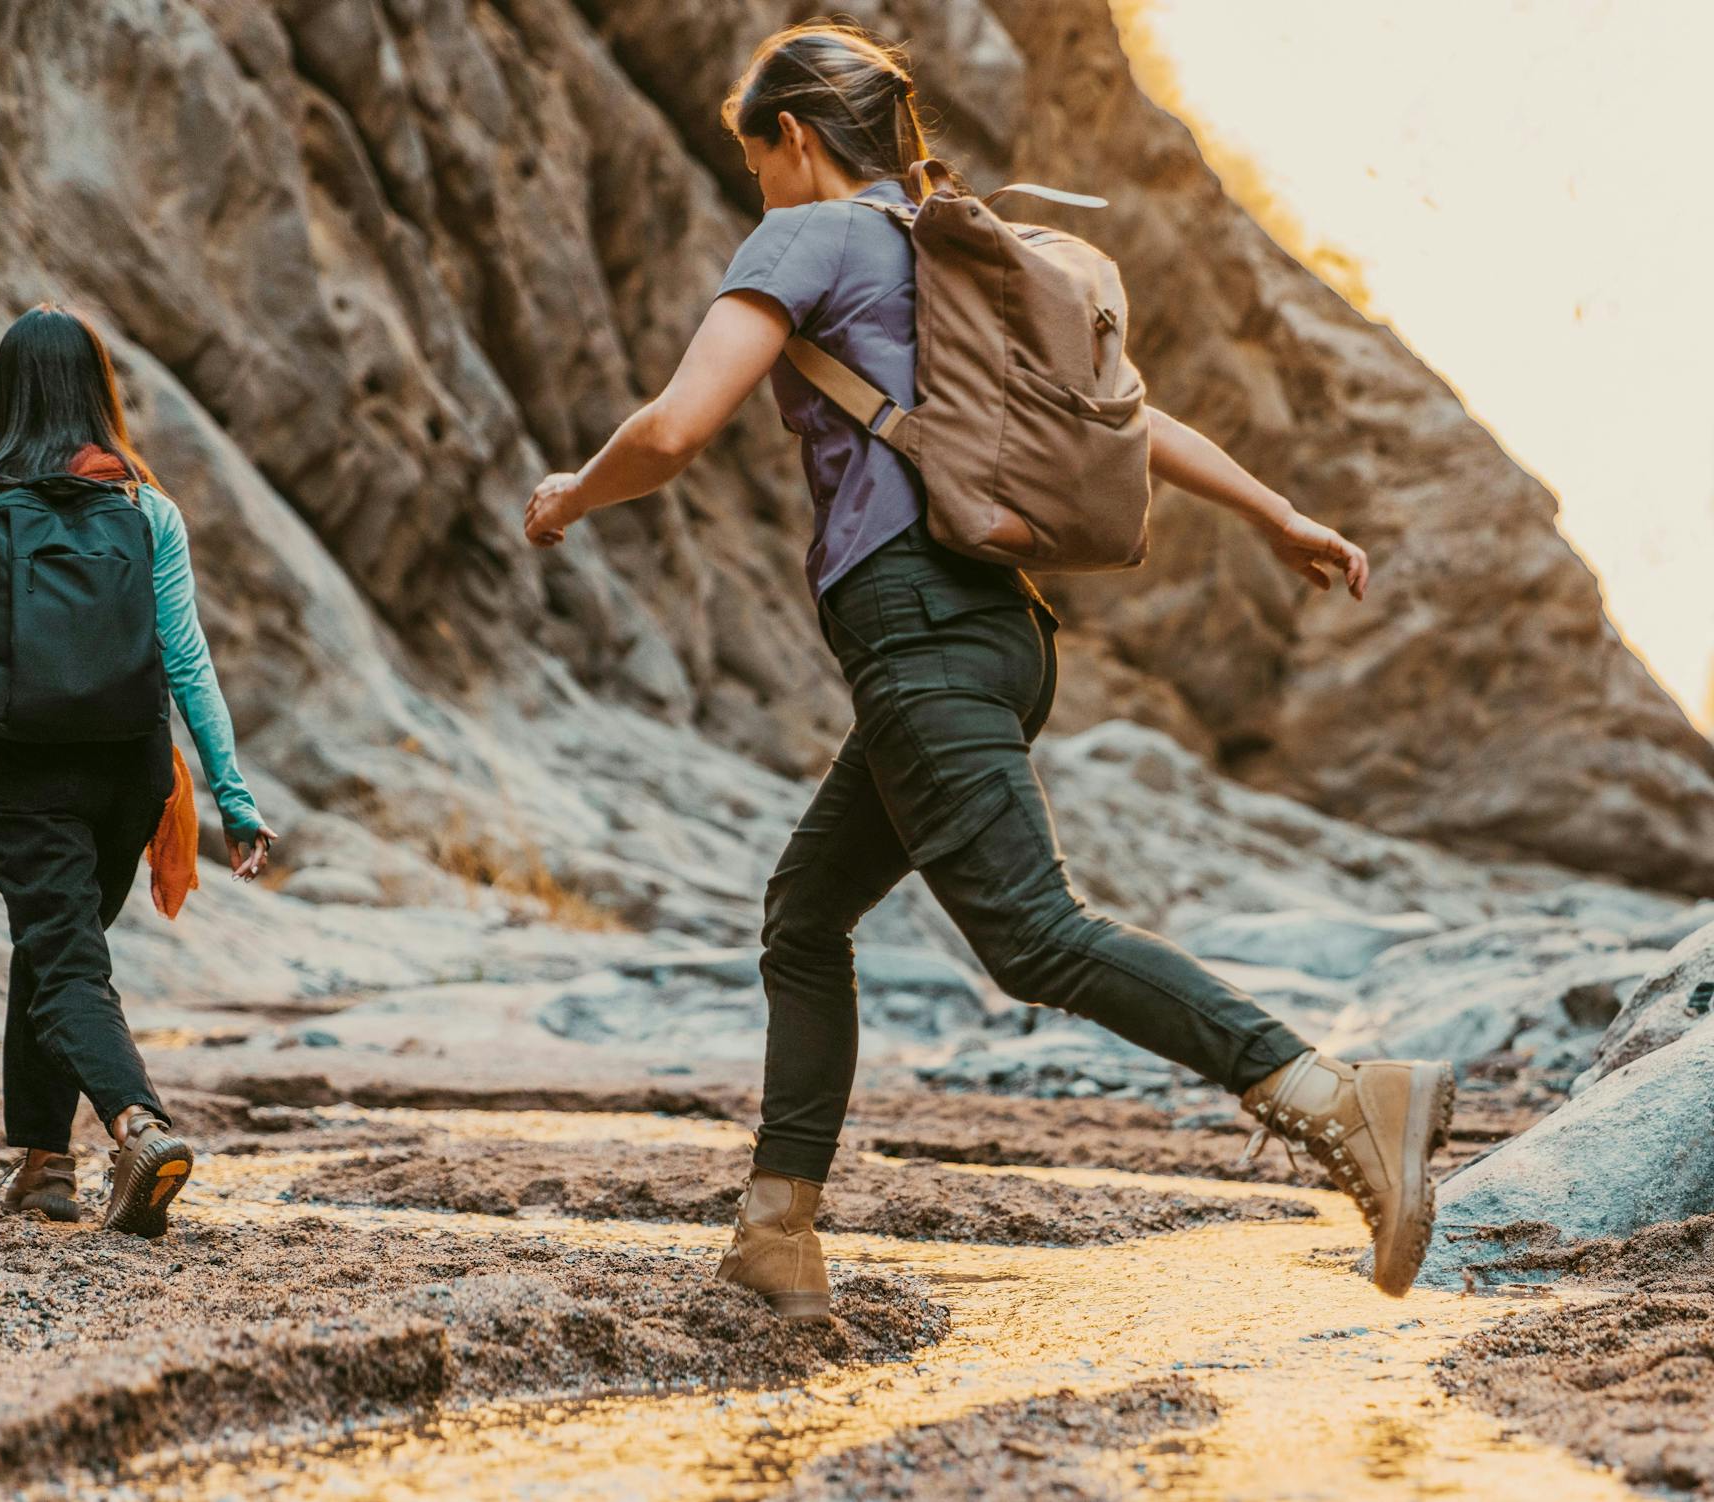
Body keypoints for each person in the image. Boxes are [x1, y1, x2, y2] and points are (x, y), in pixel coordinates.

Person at [523, 23, 1452, 1316]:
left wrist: (573, 492)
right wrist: (1273, 511)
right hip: (1003, 634)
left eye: (759, 168)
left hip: (919, 631)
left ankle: (1335, 1095)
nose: (761, 195)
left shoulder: (808, 237)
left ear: (794, 140)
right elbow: (1125, 416)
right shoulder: (961, 248)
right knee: (805, 913)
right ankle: (776, 1234)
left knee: (1031, 936)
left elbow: (677, 428)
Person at [0, 304, 276, 1237]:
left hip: (26, 765)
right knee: (56, 947)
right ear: (101, 391)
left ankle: (137, 1129)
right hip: (131, 771)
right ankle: (45, 1166)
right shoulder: (149, 507)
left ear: (10, 394)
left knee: (61, 956)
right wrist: (233, 795)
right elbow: (188, 663)